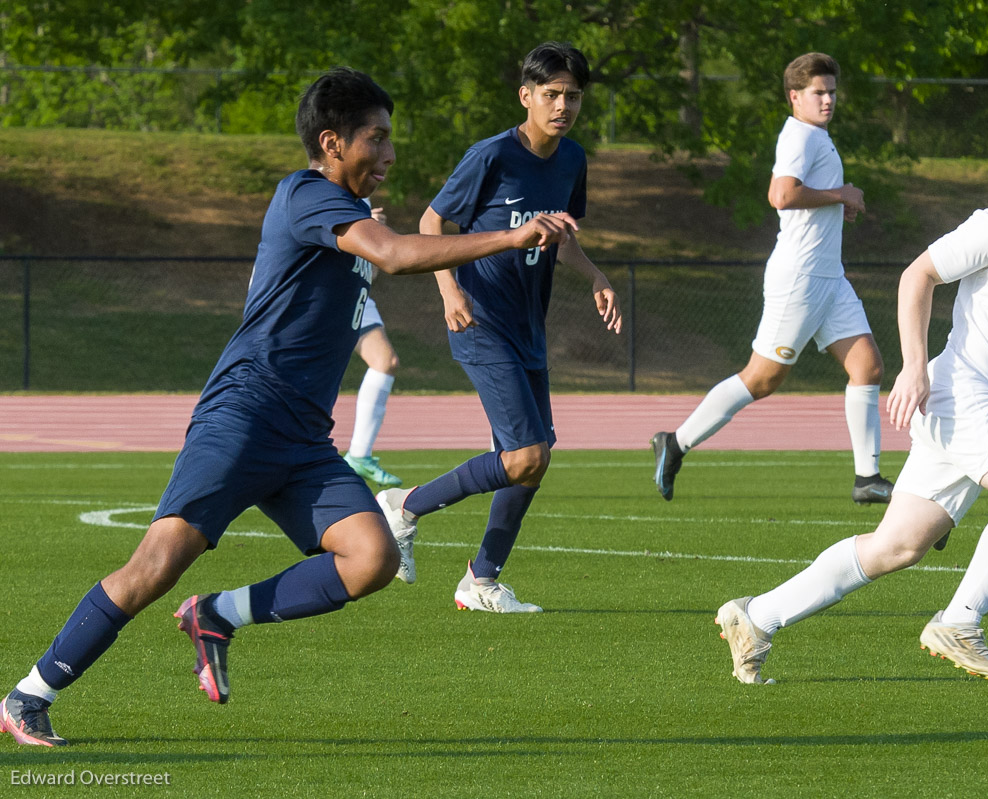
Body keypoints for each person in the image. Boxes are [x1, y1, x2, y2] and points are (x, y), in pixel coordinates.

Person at [0, 66, 579, 746]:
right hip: (244, 416)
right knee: (153, 565)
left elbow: (374, 250)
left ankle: (217, 613)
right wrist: (509, 236)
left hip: (303, 437)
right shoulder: (306, 195)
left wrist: (372, 229)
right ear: (332, 142)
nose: (390, 154)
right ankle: (28, 695)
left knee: (372, 557)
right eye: (377, 139)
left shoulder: (344, 211)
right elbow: (392, 256)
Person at [715, 110, 988, 685]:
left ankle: (757, 615)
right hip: (961, 389)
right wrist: (914, 368)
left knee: (897, 547)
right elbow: (917, 276)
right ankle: (960, 622)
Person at [375, 42, 621, 612]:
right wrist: (448, 288)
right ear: (526, 96)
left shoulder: (572, 160)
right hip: (480, 319)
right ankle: (405, 506)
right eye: (552, 94)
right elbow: (431, 220)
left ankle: (480, 581)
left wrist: (594, 275)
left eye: (573, 95)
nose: (563, 105)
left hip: (527, 327)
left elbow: (560, 237)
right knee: (527, 455)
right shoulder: (491, 156)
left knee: (534, 461)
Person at [651, 52, 892, 507]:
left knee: (868, 367)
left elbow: (800, 196)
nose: (828, 100)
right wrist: (841, 194)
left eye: (832, 92)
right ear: (794, 96)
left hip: (829, 276)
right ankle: (675, 442)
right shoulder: (801, 134)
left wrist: (839, 204)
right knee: (762, 379)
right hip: (800, 277)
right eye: (819, 93)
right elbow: (781, 195)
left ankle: (867, 478)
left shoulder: (816, 135)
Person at [342, 204, 403, 489]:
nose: (385, 162)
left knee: (385, 361)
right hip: (321, 294)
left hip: (355, 293)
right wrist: (364, 229)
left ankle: (359, 455)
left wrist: (373, 236)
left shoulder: (364, 202)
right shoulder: (323, 193)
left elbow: (369, 273)